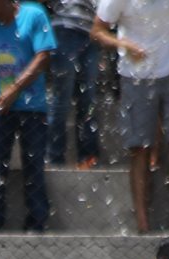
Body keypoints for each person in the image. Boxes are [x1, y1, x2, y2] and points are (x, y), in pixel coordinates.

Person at [92, 0, 169, 234]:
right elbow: (97, 31)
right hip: (134, 75)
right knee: (139, 149)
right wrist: (121, 43)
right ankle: (143, 225)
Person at [0, 0, 55, 232]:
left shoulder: (34, 14)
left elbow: (43, 56)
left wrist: (14, 89)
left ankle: (37, 224)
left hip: (33, 107)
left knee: (34, 166)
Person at [46, 0, 100, 169]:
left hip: (92, 32)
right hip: (64, 27)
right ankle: (54, 157)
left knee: (89, 99)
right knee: (62, 97)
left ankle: (87, 157)